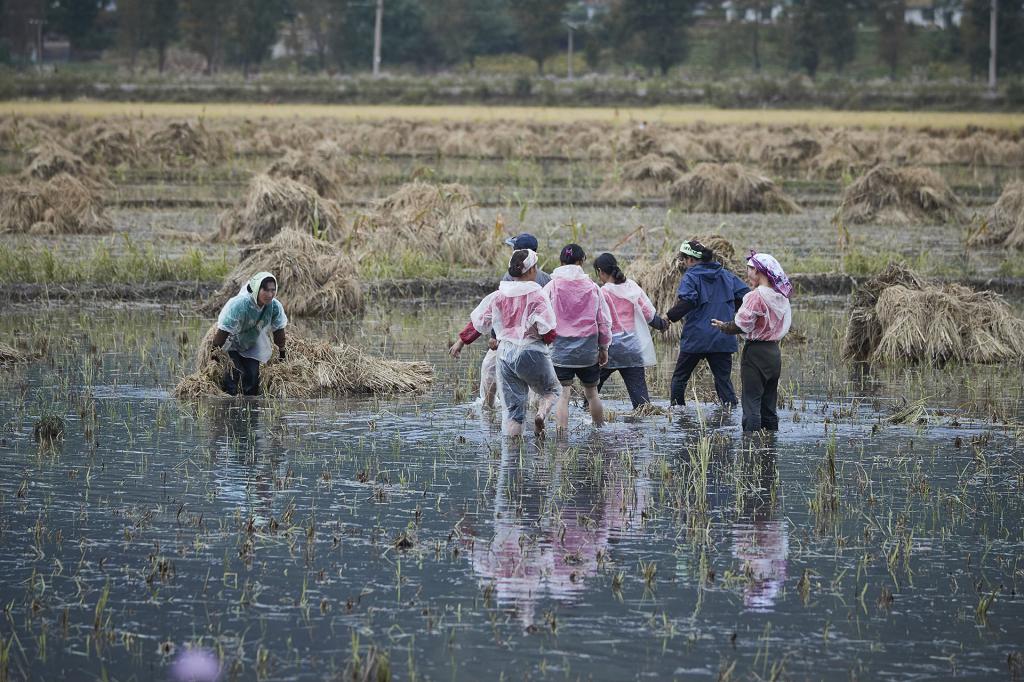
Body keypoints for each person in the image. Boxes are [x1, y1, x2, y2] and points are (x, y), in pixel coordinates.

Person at [450, 249, 561, 436]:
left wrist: (461, 342)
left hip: (505, 355)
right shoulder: (538, 295)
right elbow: (549, 332)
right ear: (532, 270)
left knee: (513, 412)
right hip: (531, 351)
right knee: (552, 391)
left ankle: (510, 459)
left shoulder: (499, 295)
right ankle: (541, 414)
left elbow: (479, 322)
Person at [712, 252, 793, 433]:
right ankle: (770, 448)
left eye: (749, 269)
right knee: (769, 405)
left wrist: (724, 326)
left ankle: (751, 449)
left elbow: (742, 324)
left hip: (755, 353)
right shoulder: (781, 296)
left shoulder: (756, 296)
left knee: (751, 403)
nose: (747, 273)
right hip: (774, 353)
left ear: (757, 271)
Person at [666, 240, 750, 408]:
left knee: (679, 379)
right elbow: (747, 297)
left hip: (696, 338)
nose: (683, 263)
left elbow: (688, 302)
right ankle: (729, 416)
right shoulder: (726, 275)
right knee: (723, 382)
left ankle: (677, 415)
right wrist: (731, 310)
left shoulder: (690, 277)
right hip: (722, 336)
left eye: (684, 259)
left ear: (691, 260)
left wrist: (669, 317)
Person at [479, 233, 552, 408]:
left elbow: (499, 310)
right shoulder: (547, 279)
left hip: (509, 340)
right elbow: (550, 315)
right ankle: (537, 412)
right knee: (540, 384)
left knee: (489, 370)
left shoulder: (508, 277)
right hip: (536, 342)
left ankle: (488, 407)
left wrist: (494, 336)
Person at [543, 244, 612, 430]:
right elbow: (603, 321)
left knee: (562, 395)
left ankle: (561, 437)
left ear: (560, 261)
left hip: (560, 350)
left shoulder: (552, 286)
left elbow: (542, 318)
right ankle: (599, 430)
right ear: (581, 261)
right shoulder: (592, 287)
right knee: (592, 393)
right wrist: (604, 347)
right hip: (587, 350)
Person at [592, 252, 670, 409]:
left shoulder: (602, 292)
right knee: (642, 403)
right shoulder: (632, 287)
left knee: (591, 391)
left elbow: (596, 319)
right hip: (632, 348)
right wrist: (662, 325)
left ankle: (588, 416)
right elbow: (648, 314)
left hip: (609, 349)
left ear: (600, 271)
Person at [208, 271, 288, 396]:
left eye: (273, 290)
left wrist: (282, 353)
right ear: (256, 289)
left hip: (250, 343)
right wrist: (213, 353)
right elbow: (223, 331)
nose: (270, 294)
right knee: (234, 374)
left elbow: (279, 331)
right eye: (266, 290)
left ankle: (250, 411)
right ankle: (229, 407)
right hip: (230, 344)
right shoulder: (240, 305)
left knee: (252, 378)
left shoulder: (274, 307)